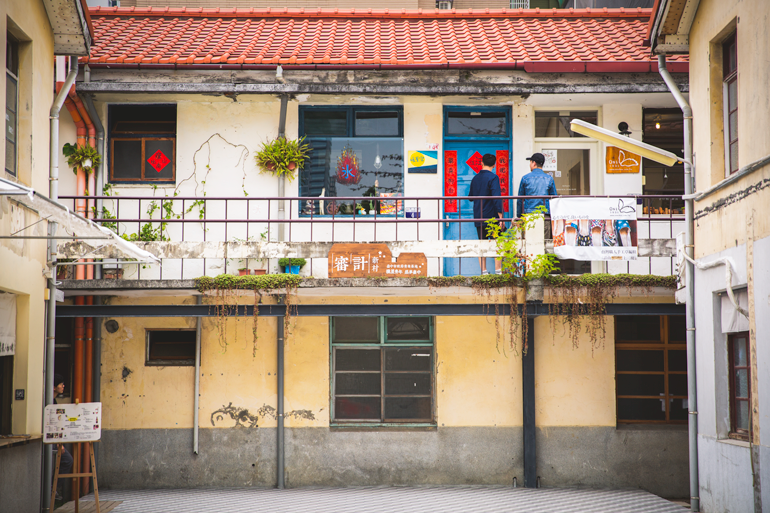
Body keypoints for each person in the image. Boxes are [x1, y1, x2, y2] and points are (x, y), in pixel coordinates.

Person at [469, 153, 504, 275]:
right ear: (494, 165)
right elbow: (496, 198)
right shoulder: (493, 178)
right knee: (497, 243)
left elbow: (471, 197)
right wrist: (501, 218)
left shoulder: (475, 178)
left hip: (479, 217)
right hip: (492, 217)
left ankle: (483, 272)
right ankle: (498, 271)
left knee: (482, 243)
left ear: (481, 163)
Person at [517, 153, 558, 238]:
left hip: (529, 215)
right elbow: (554, 199)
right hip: (545, 215)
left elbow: (520, 200)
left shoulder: (525, 178)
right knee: (545, 243)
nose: (530, 164)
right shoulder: (549, 178)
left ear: (534, 163)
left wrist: (520, 216)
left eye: (530, 162)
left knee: (529, 243)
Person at [52, 374, 73, 501]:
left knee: (66, 460)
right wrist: (58, 442)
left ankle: (53, 488)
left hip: (54, 439)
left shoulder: (53, 401)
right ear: (54, 387)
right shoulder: (48, 401)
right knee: (67, 460)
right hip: (51, 439)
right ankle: (52, 489)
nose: (63, 386)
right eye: (61, 384)